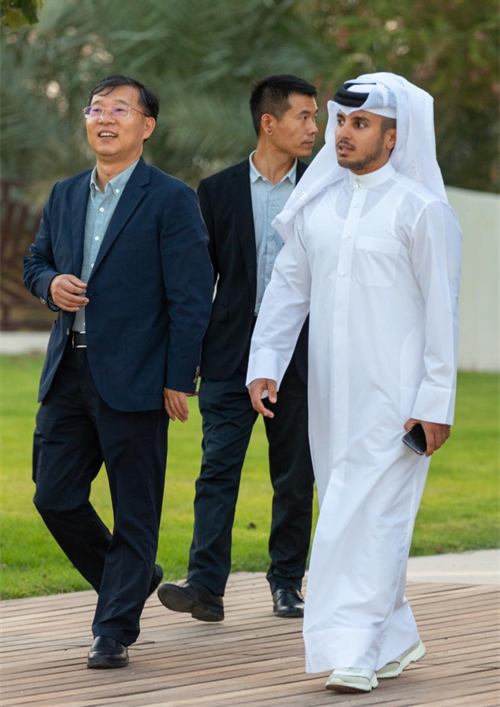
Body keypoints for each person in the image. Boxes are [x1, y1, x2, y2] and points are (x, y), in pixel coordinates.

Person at [247, 73, 461, 693]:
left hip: (398, 400)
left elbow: (442, 314)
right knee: (353, 509)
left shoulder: (422, 210)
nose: (342, 133)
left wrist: (435, 401)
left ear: (393, 137)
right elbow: (288, 289)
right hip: (330, 398)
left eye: (360, 124)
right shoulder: (318, 207)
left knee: (366, 518)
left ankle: (353, 651)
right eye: (341, 121)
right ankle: (393, 634)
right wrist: (266, 362)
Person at [23, 74, 213, 669]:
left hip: (138, 376)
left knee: (135, 509)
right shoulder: (64, 195)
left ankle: (113, 630)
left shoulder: (171, 198)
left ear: (146, 125)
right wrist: (50, 284)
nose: (105, 119)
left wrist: (179, 378)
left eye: (120, 110)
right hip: (67, 372)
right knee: (54, 496)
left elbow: (190, 297)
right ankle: (131, 578)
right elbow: (35, 261)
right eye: (96, 109)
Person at [157, 74, 317, 621]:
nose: (314, 129)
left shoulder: (322, 189)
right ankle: (205, 586)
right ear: (269, 123)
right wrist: (184, 363)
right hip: (230, 352)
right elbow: (198, 282)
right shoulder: (217, 190)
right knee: (217, 469)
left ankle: (287, 582)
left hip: (299, 354)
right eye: (304, 116)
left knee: (294, 474)